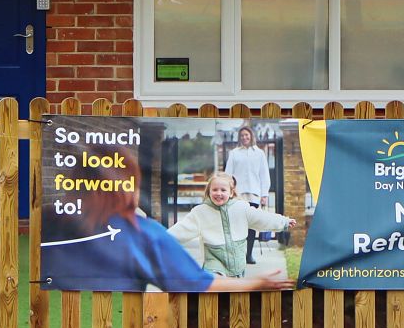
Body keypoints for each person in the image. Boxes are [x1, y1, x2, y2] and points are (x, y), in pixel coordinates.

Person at [43, 131, 290, 294]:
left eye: (224, 190)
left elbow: (262, 219)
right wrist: (256, 283)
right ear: (130, 185)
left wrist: (281, 222)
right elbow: (196, 281)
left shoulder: (48, 221)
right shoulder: (143, 235)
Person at [169, 171, 294, 278]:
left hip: (237, 262)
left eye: (223, 190)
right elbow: (182, 229)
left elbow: (263, 218)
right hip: (213, 260)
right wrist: (158, 238)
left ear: (231, 192)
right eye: (215, 190)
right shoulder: (201, 212)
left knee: (234, 298)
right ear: (209, 192)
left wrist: (284, 222)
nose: (219, 193)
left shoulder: (241, 208)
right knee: (217, 288)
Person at [224, 125, 274, 209]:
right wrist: (228, 191)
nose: (244, 137)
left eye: (246, 135)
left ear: (251, 136)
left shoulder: (259, 153)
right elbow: (228, 175)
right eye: (242, 135)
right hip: (238, 194)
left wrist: (264, 195)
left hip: (254, 194)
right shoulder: (234, 153)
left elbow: (264, 175)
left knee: (252, 220)